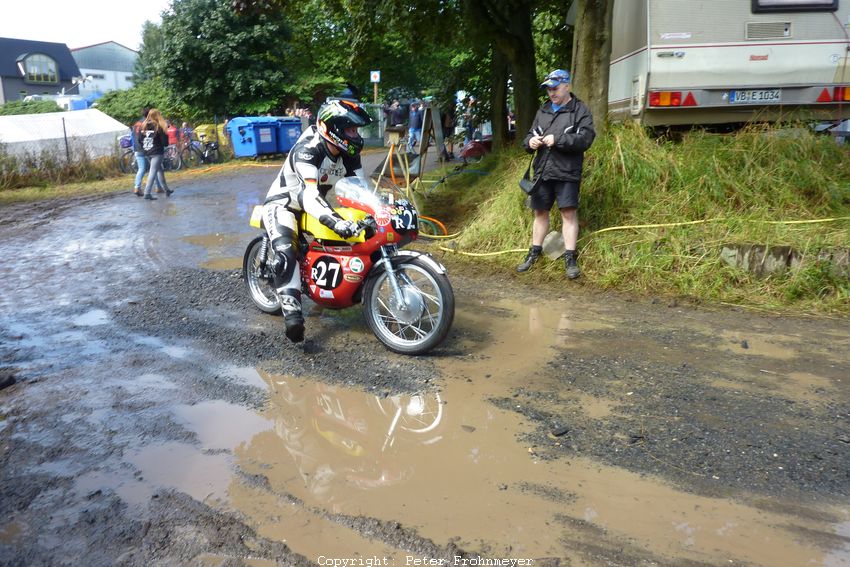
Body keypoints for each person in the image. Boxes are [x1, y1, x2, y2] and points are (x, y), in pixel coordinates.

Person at [262, 98, 372, 343]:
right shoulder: (308, 149)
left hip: (315, 206)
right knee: (284, 251)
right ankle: (292, 316)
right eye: (350, 130)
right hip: (285, 203)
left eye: (356, 130)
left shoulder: (349, 153)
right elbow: (308, 194)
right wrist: (336, 221)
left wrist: (376, 213)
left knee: (345, 242)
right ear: (332, 128)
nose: (355, 135)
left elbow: (360, 191)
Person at [517, 69, 595, 279]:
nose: (551, 92)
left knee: (568, 214)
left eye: (555, 88)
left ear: (567, 86)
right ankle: (534, 253)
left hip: (567, 172)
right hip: (542, 172)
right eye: (548, 89)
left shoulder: (580, 110)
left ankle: (570, 258)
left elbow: (586, 139)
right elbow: (527, 137)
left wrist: (558, 140)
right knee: (540, 213)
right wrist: (530, 143)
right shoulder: (542, 111)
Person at [136, 108, 173, 200]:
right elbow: (165, 142)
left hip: (147, 152)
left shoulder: (143, 125)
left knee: (159, 170)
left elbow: (139, 140)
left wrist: (145, 147)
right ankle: (147, 193)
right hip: (156, 152)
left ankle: (166, 189)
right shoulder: (159, 126)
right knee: (153, 172)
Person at [131, 107, 162, 197]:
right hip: (147, 148)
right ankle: (158, 187)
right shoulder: (148, 123)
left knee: (141, 168)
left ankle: (137, 187)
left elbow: (133, 136)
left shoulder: (136, 124)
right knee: (154, 168)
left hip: (137, 148)